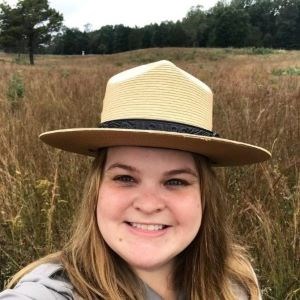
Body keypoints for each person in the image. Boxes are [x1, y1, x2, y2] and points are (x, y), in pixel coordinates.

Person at [0, 60, 271, 299]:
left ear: (204, 195)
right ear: (96, 190)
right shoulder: (50, 292)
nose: (149, 204)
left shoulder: (236, 282)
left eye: (175, 181)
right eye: (126, 177)